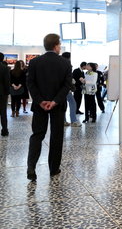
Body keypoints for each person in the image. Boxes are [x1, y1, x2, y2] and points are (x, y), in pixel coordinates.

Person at [26, 33, 72, 181]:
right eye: (59, 44)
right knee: (56, 136)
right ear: (56, 45)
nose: (60, 47)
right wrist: (55, 101)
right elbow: (67, 86)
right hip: (57, 106)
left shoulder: (34, 62)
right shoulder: (65, 63)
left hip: (39, 106)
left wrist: (40, 101)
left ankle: (31, 166)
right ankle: (53, 169)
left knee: (37, 135)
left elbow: (31, 84)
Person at [61, 52, 81, 127]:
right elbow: (67, 76)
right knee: (73, 103)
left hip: (60, 88)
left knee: (63, 104)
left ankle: (64, 121)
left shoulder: (59, 63)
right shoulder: (67, 64)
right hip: (66, 88)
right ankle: (73, 121)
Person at [0, 53, 10, 136]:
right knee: (3, 112)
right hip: (2, 93)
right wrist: (7, 92)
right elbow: (6, 82)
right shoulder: (5, 68)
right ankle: (4, 130)